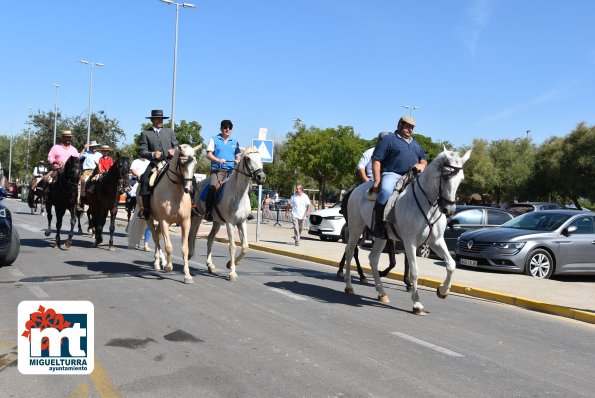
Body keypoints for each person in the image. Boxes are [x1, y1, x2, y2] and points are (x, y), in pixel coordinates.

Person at [370, 115, 428, 238]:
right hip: (392, 174)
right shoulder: (388, 140)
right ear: (399, 125)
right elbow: (376, 160)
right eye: (408, 127)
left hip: (412, 176)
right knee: (385, 192)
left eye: (412, 128)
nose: (410, 130)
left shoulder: (416, 144)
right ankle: (378, 225)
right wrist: (377, 181)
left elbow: (423, 160)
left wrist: (422, 166)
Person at [137, 109, 179, 219]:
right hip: (156, 163)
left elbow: (176, 146)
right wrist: (152, 154)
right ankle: (145, 209)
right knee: (145, 180)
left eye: (161, 119)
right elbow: (142, 151)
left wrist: (174, 150)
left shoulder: (169, 131)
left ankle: (192, 207)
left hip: (170, 162)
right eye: (158, 118)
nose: (160, 120)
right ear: (152, 120)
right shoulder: (145, 133)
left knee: (189, 177)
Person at [204, 119, 241, 221]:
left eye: (229, 127)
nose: (227, 129)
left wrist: (237, 160)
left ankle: (246, 212)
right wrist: (218, 160)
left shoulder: (235, 142)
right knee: (213, 188)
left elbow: (238, 156)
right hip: (218, 171)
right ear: (221, 128)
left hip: (232, 172)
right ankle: (208, 212)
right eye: (225, 127)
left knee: (245, 186)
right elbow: (208, 155)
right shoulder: (214, 139)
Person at [129, 156, 152, 250]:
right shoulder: (136, 161)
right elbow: (132, 170)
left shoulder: (150, 162)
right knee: (129, 191)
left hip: (150, 181)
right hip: (139, 180)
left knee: (150, 222)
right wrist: (140, 175)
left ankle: (146, 244)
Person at [79, 140, 102, 208]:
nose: (94, 148)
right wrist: (84, 148)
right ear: (90, 147)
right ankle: (82, 196)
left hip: (98, 171)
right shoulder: (86, 153)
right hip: (88, 171)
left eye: (95, 146)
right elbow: (79, 157)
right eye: (92, 146)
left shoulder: (100, 155)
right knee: (84, 181)